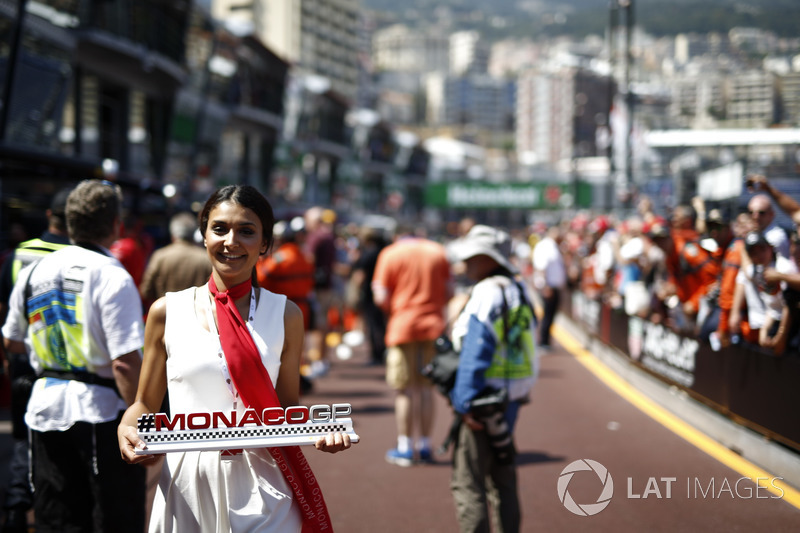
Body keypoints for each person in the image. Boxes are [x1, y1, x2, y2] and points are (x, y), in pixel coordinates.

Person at [118, 185, 353, 532]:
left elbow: (287, 407)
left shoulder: (286, 314)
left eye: (246, 231)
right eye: (220, 229)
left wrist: (320, 432)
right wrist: (127, 428)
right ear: (203, 236)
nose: (231, 241)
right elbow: (144, 404)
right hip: (188, 485)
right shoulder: (167, 311)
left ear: (265, 244)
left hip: (265, 485)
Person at [1, 179, 146, 533]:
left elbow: (11, 341)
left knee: (57, 517)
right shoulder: (112, 275)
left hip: (45, 407)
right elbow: (124, 361)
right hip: (100, 410)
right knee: (112, 517)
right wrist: (142, 416)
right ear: (116, 225)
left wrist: (52, 346)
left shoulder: (37, 270)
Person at [448, 225, 537, 533]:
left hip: (484, 398)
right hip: (511, 396)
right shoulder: (519, 288)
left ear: (490, 259)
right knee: (503, 476)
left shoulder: (487, 291)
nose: (466, 263)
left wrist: (464, 402)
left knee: (468, 482)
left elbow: (477, 348)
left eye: (474, 256)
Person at [0, 187, 72, 533]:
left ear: (48, 216)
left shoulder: (18, 255)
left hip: (22, 358)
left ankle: (16, 507)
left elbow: (4, 310)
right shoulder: (80, 257)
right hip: (64, 364)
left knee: (21, 440)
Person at [372, 226, 452, 466]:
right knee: (427, 389)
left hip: (402, 325)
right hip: (433, 325)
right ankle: (426, 445)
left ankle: (406, 446)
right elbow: (449, 290)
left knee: (405, 390)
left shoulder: (390, 253)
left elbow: (380, 296)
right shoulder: (438, 251)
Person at [139, 211, 212, 310]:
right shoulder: (205, 258)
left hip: (165, 314)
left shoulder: (160, 256)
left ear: (173, 234)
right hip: (197, 315)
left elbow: (146, 291)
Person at [531, 225, 565, 351]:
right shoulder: (546, 246)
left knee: (550, 315)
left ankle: (545, 341)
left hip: (552, 286)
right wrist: (545, 286)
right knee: (547, 315)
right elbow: (541, 267)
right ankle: (543, 342)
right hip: (549, 286)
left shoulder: (553, 246)